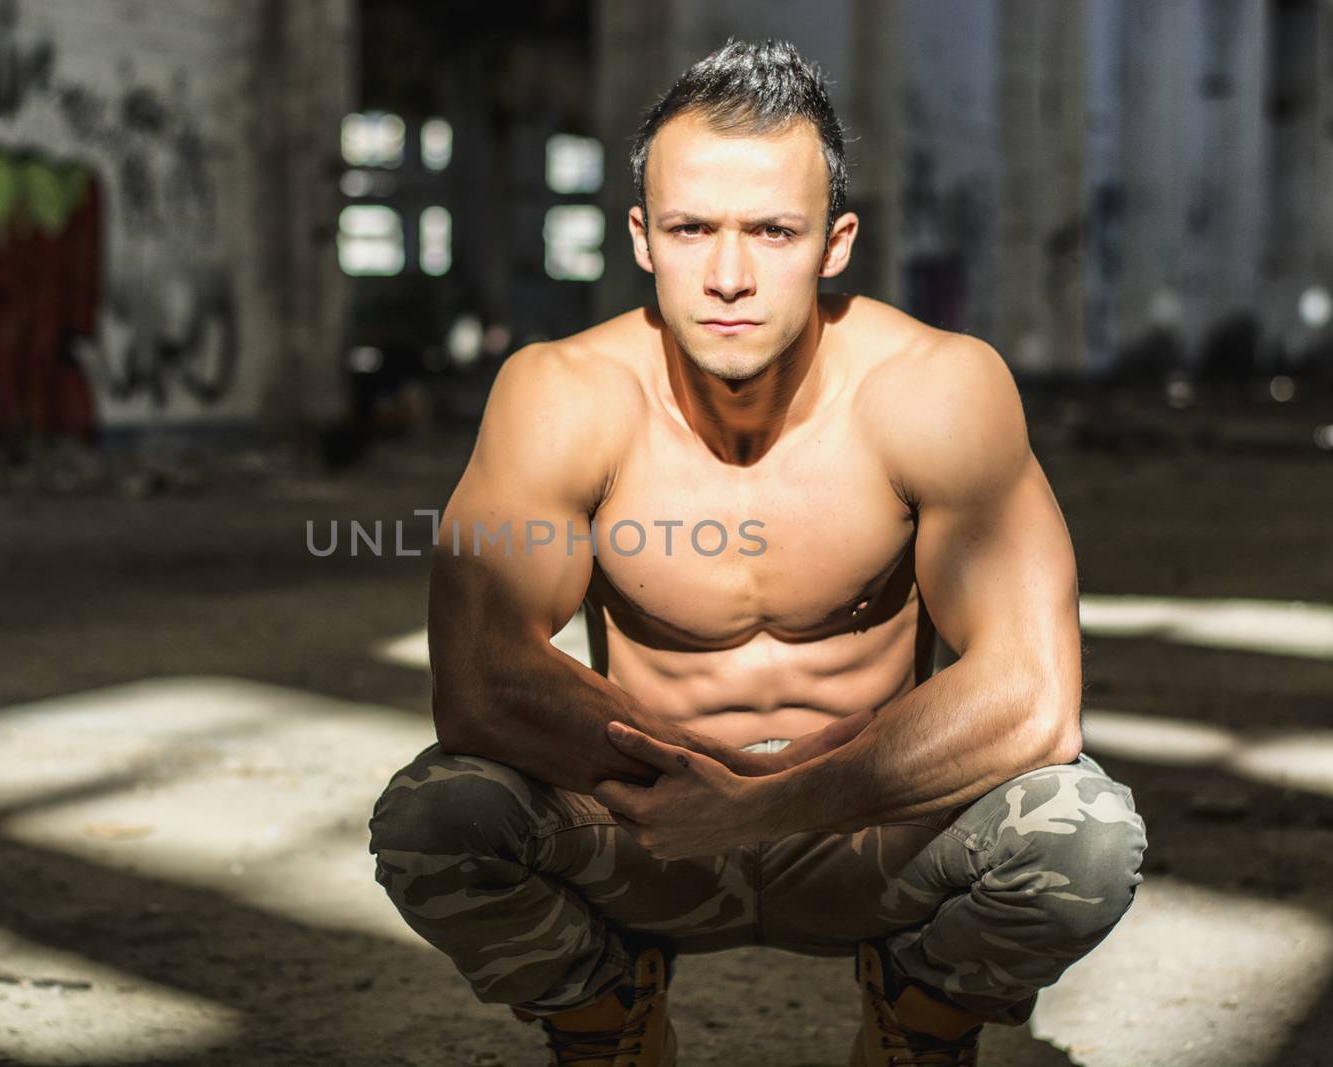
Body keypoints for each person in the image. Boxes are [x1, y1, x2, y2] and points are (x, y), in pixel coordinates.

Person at [368, 38, 1145, 1067]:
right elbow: (478, 683)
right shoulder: (563, 393)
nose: (728, 276)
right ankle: (608, 1016)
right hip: (648, 833)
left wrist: (764, 801)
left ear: (834, 243)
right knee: (438, 815)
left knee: (1084, 831)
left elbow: (1033, 697)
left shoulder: (935, 389)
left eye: (772, 232)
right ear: (643, 238)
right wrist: (693, 798)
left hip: (869, 832)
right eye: (693, 229)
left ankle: (921, 1010)